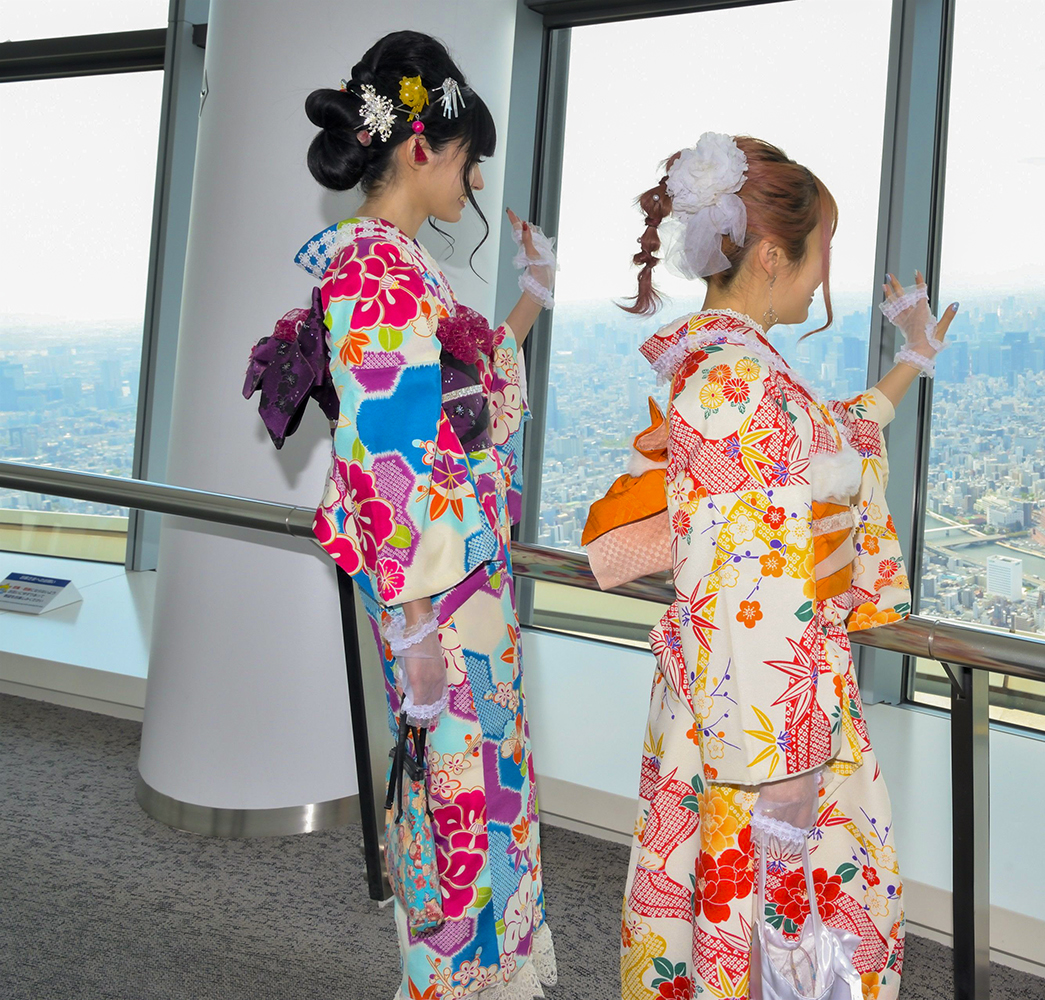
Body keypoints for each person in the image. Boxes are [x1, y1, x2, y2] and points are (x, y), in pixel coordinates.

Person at [617, 132, 956, 1000]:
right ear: (772, 253)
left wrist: (912, 359)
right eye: (821, 253)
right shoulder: (748, 387)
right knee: (788, 942)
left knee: (721, 933)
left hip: (721, 699)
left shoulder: (722, 366)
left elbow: (832, 439)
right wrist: (792, 778)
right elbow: (760, 588)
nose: (822, 276)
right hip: (770, 722)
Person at [272, 30, 559, 999]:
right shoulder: (379, 274)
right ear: (422, 149)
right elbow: (385, 466)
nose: (473, 182)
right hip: (439, 598)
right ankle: (453, 982)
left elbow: (455, 408)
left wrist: (525, 306)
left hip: (452, 588)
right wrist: (414, 627)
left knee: (474, 800)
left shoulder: (393, 268)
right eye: (470, 159)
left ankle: (480, 975)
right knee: (458, 809)